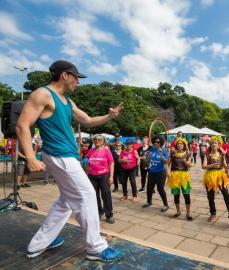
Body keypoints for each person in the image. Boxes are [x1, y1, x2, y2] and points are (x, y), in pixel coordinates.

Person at [16, 60, 123, 261]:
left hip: (66, 155)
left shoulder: (67, 101)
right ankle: (95, 248)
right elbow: (22, 125)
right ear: (65, 75)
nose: (78, 82)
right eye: (76, 77)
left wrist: (110, 116)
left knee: (65, 202)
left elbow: (89, 120)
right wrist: (30, 157)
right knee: (87, 194)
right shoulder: (42, 94)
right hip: (59, 155)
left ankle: (40, 243)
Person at [203, 136, 229, 226]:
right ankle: (213, 213)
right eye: (212, 143)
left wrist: (228, 167)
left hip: (220, 176)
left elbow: (225, 166)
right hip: (210, 176)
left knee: (226, 195)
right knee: (210, 196)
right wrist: (212, 165)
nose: (213, 144)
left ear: (219, 145)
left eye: (215, 143)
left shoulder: (222, 155)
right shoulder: (207, 155)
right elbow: (203, 166)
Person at [87, 135, 115, 224]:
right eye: (95, 139)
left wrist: (111, 177)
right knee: (94, 195)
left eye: (99, 139)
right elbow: (88, 163)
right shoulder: (90, 151)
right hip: (92, 176)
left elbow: (111, 164)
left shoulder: (106, 151)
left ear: (103, 141)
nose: (97, 141)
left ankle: (109, 215)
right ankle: (99, 211)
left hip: (104, 175)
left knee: (106, 195)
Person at [167, 137, 193, 220]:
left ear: (184, 145)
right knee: (176, 195)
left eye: (181, 143)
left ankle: (188, 213)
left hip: (184, 176)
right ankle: (178, 211)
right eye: (178, 143)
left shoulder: (188, 154)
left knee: (186, 194)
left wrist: (188, 163)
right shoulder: (172, 153)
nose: (179, 145)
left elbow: (191, 165)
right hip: (174, 176)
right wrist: (167, 172)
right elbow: (168, 164)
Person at [142, 135, 170, 212]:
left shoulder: (163, 150)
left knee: (160, 189)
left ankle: (166, 205)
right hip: (151, 172)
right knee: (149, 188)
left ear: (161, 142)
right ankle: (149, 201)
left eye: (158, 142)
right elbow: (147, 162)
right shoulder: (151, 150)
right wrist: (146, 159)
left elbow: (166, 162)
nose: (156, 143)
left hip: (160, 173)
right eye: (154, 142)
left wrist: (161, 155)